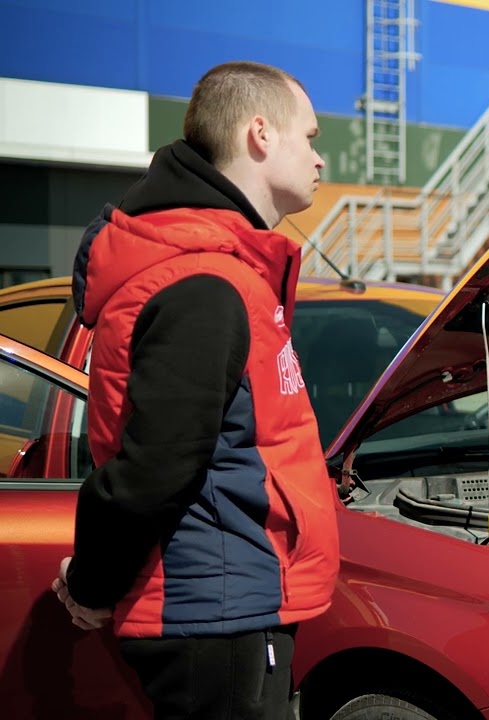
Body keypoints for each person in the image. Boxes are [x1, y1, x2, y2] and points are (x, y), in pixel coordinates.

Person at [50, 61, 339, 720]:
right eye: (311, 138)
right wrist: (93, 584)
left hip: (226, 605)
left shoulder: (221, 271)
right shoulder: (202, 284)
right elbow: (156, 467)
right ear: (260, 135)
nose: (320, 160)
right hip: (212, 614)